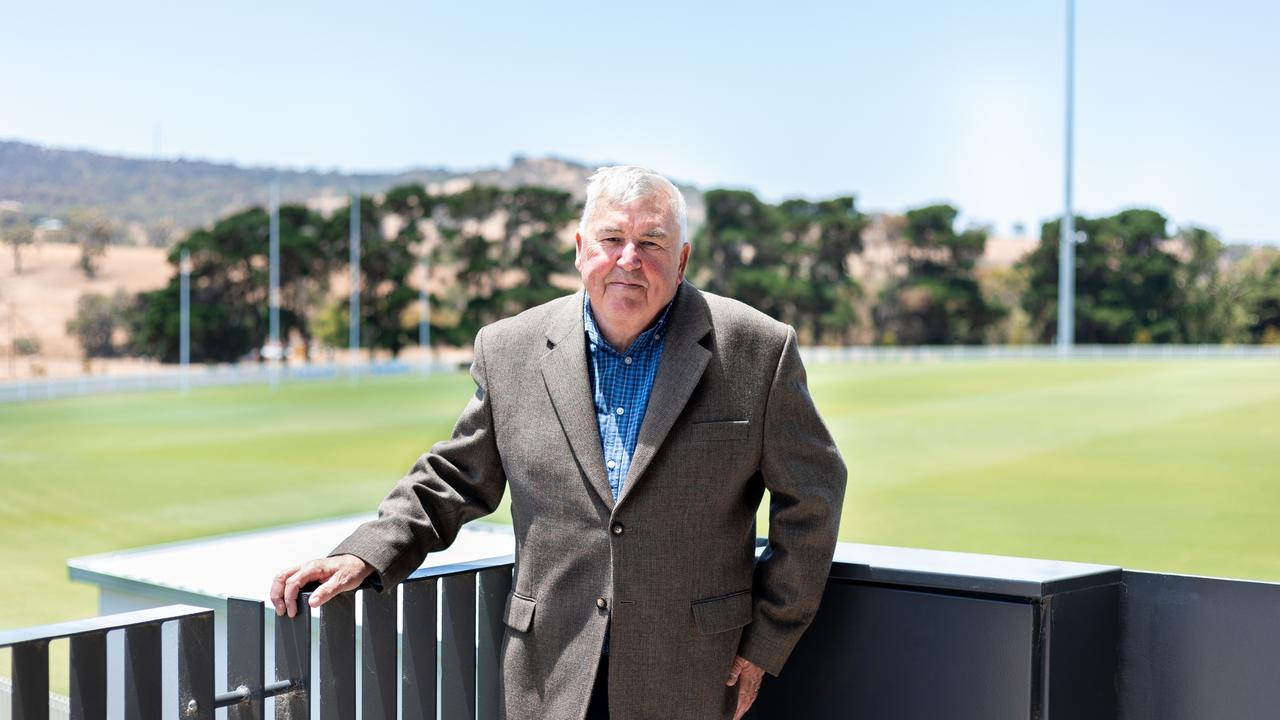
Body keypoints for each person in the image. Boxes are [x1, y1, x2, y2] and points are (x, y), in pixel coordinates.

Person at [271, 166, 846, 720]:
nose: (629, 259)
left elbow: (814, 493)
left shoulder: (757, 350)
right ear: (579, 249)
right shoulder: (509, 349)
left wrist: (768, 639)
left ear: (683, 259)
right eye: (612, 238)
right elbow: (455, 477)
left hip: (696, 673)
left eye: (652, 242)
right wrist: (365, 551)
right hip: (551, 676)